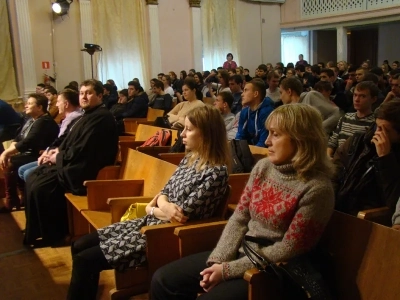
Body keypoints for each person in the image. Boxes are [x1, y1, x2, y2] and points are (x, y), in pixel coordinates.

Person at [151, 104, 335, 299]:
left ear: (301, 140)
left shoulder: (318, 189)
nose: (267, 141)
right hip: (241, 250)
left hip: (273, 270)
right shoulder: (263, 167)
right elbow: (240, 217)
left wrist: (228, 270)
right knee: (162, 280)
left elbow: (290, 249)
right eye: (268, 133)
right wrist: (219, 259)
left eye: (275, 134)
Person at [67, 105, 230, 300]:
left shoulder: (216, 172)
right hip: (149, 222)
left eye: (189, 129)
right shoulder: (190, 159)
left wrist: (155, 207)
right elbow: (164, 192)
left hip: (162, 235)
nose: (182, 134)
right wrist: (163, 205)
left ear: (207, 134)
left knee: (84, 260)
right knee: (80, 245)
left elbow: (181, 215)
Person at [23, 79, 118, 247]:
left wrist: (58, 158)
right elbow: (69, 140)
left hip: (86, 168)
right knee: (33, 177)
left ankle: (56, 236)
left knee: (42, 187)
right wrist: (55, 151)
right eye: (82, 93)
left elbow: (84, 149)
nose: (84, 97)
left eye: (89, 93)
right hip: (73, 161)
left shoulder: (102, 118)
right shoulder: (87, 115)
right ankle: (36, 231)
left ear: (100, 95)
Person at [334, 99, 400, 216]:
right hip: (341, 208)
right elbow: (334, 171)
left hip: (369, 217)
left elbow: (393, 201)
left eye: (386, 130)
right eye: (377, 126)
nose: (378, 133)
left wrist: (385, 159)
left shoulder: (392, 158)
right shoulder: (357, 141)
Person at [0, 94, 59, 213]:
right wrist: (7, 152)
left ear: (39, 107)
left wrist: (6, 153)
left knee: (11, 162)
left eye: (30, 103)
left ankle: (14, 199)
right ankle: (19, 198)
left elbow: (28, 142)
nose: (26, 105)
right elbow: (19, 138)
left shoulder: (44, 121)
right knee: (10, 159)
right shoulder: (31, 120)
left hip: (40, 154)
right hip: (29, 153)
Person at [18, 89, 82, 182]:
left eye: (59, 102)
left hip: (62, 158)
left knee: (27, 173)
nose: (56, 105)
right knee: (22, 170)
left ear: (66, 104)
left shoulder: (73, 118)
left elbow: (63, 143)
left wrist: (48, 154)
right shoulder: (68, 118)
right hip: (53, 153)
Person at [327, 82, 377, 157]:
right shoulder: (346, 117)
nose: (356, 99)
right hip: (338, 161)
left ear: (373, 99)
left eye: (362, 96)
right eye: (355, 95)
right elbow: (332, 142)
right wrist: (328, 156)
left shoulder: (374, 123)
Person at [236, 78, 274, 147]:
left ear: (255, 94)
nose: (242, 94)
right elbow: (240, 136)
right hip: (251, 149)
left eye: (246, 90)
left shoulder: (267, 112)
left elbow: (264, 143)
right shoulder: (244, 112)